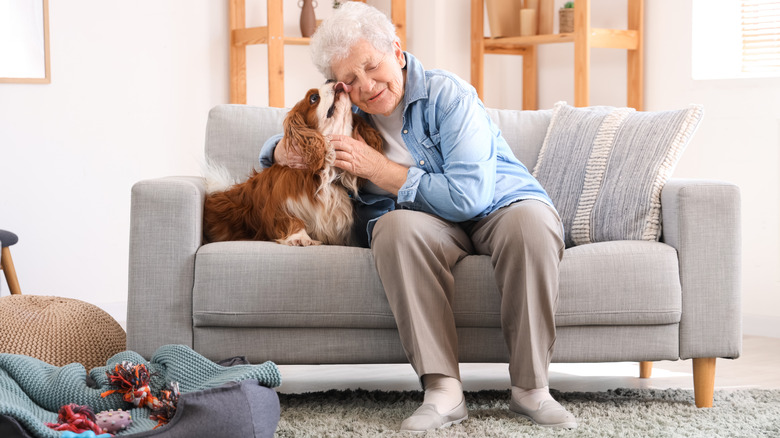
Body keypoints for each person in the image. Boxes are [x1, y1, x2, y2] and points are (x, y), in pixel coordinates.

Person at [258, 2, 576, 432]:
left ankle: (531, 389)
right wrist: (276, 150)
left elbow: (468, 196)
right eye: (350, 79)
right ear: (338, 85)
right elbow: (299, 132)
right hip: (425, 224)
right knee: (392, 228)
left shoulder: (448, 95)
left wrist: (379, 170)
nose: (367, 86)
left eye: (372, 66)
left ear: (396, 49)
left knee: (532, 226)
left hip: (498, 203)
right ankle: (443, 391)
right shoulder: (347, 116)